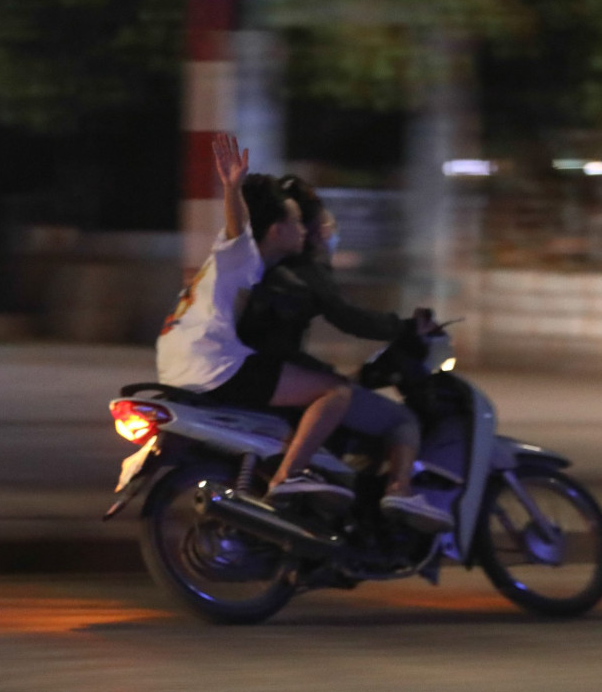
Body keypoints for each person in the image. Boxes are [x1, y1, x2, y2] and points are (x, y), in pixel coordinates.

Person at [236, 174, 453, 533]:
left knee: (338, 380)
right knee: (401, 420)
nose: (331, 234)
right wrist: (406, 328)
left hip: (264, 366)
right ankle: (398, 489)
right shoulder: (305, 270)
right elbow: (350, 319)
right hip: (268, 371)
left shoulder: (273, 264)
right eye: (327, 227)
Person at [156, 134, 353, 504]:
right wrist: (232, 189)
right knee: (335, 391)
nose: (304, 230)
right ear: (276, 230)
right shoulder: (244, 255)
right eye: (296, 222)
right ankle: (288, 476)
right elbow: (238, 230)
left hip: (178, 367)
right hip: (214, 368)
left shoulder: (233, 262)